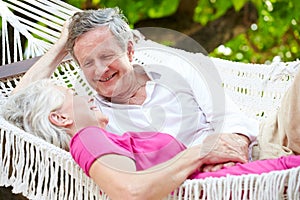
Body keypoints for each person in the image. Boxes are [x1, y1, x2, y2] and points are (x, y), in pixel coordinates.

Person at [13, 7, 259, 172]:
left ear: (130, 51)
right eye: (88, 62)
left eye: (107, 55)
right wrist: (60, 47)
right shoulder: (91, 119)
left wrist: (229, 155)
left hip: (241, 158)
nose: (99, 70)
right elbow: (14, 113)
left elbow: (230, 119)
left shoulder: (177, 67)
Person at [2, 79, 299, 200]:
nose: (84, 97)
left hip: (239, 170)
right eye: (72, 96)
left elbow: (13, 107)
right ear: (60, 118)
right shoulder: (85, 138)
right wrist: (200, 153)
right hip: (240, 182)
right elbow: (131, 191)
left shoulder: (104, 139)